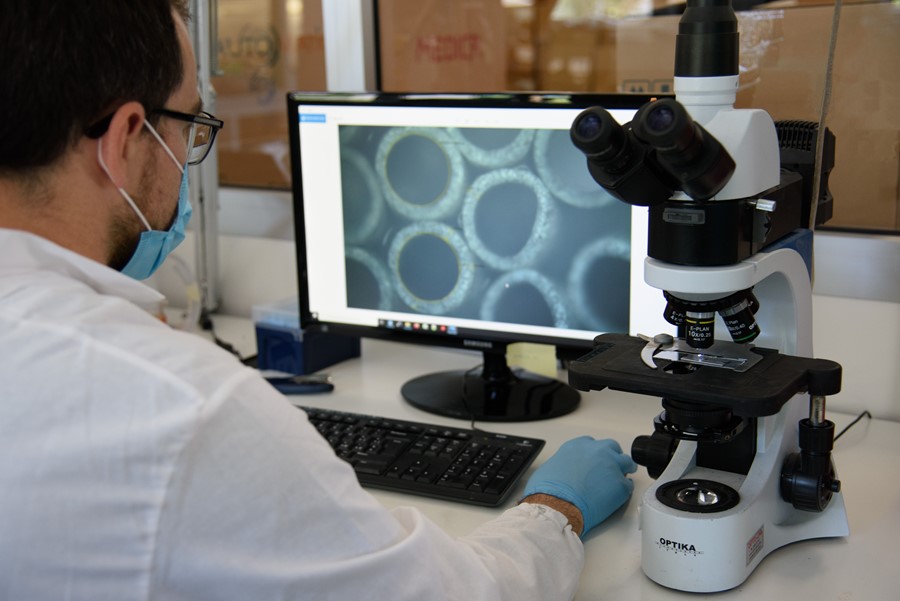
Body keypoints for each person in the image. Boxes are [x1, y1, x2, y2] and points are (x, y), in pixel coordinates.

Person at [0, 2, 638, 599]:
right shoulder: (184, 408)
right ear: (127, 137)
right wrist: (557, 508)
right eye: (189, 127)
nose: (190, 156)